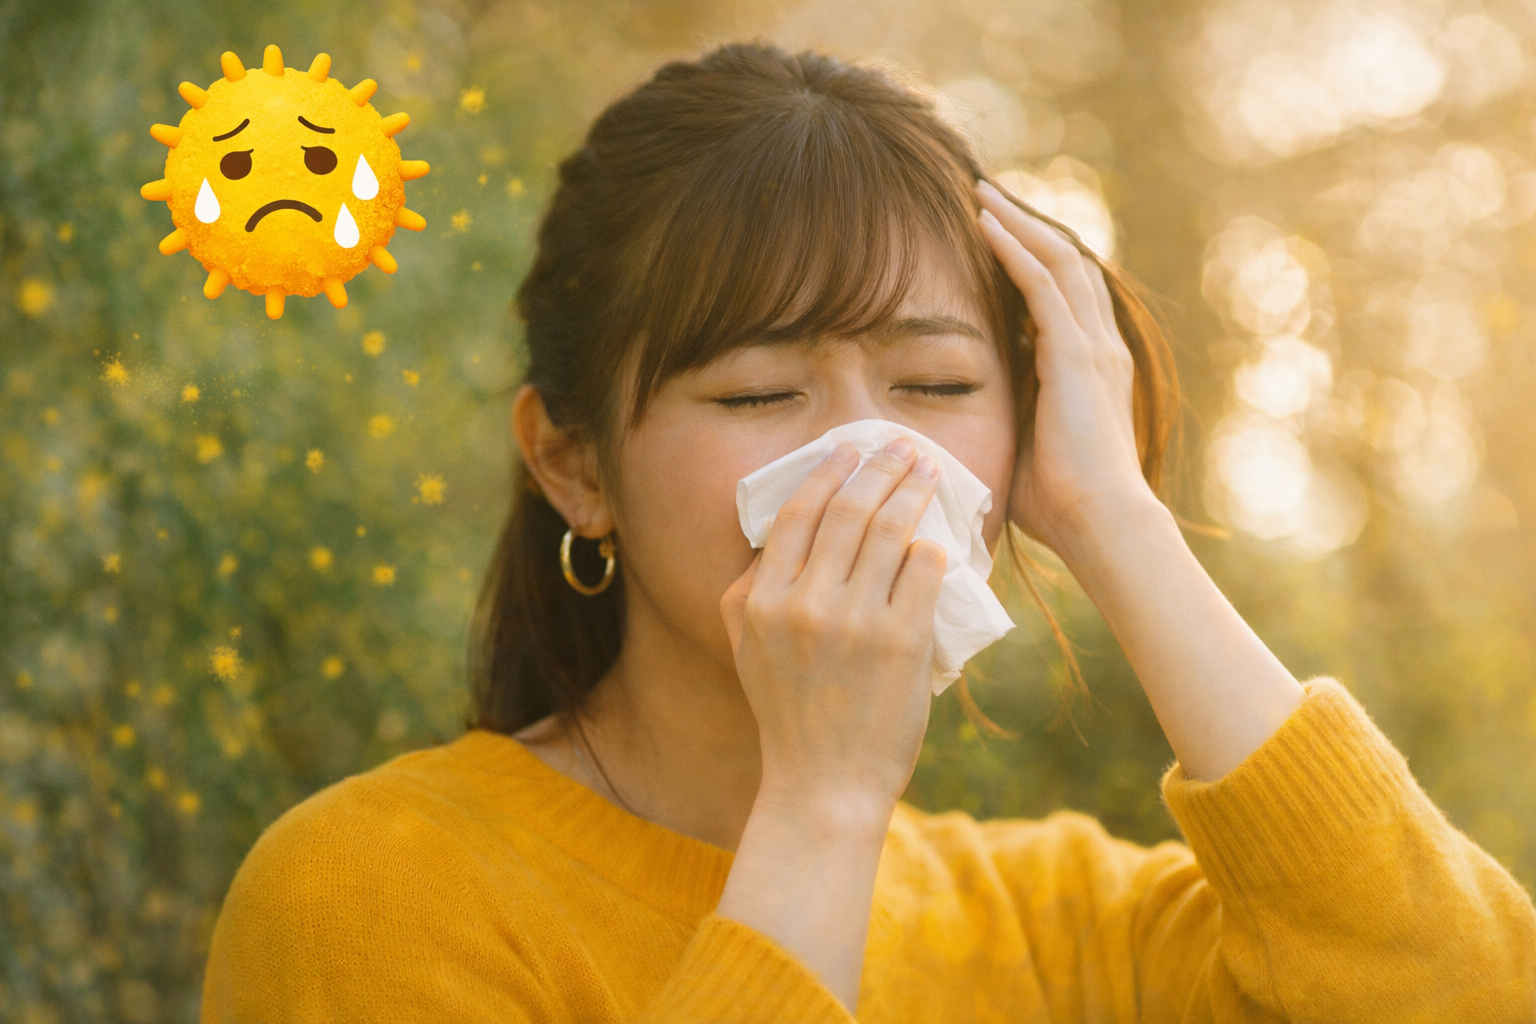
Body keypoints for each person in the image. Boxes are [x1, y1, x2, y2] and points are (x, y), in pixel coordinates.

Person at [199, 41, 1536, 1023]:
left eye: (939, 388)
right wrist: (824, 808)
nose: (871, 459)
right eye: (759, 393)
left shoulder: (1052, 924)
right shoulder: (370, 894)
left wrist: (1118, 519)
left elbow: (1467, 995)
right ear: (572, 463)